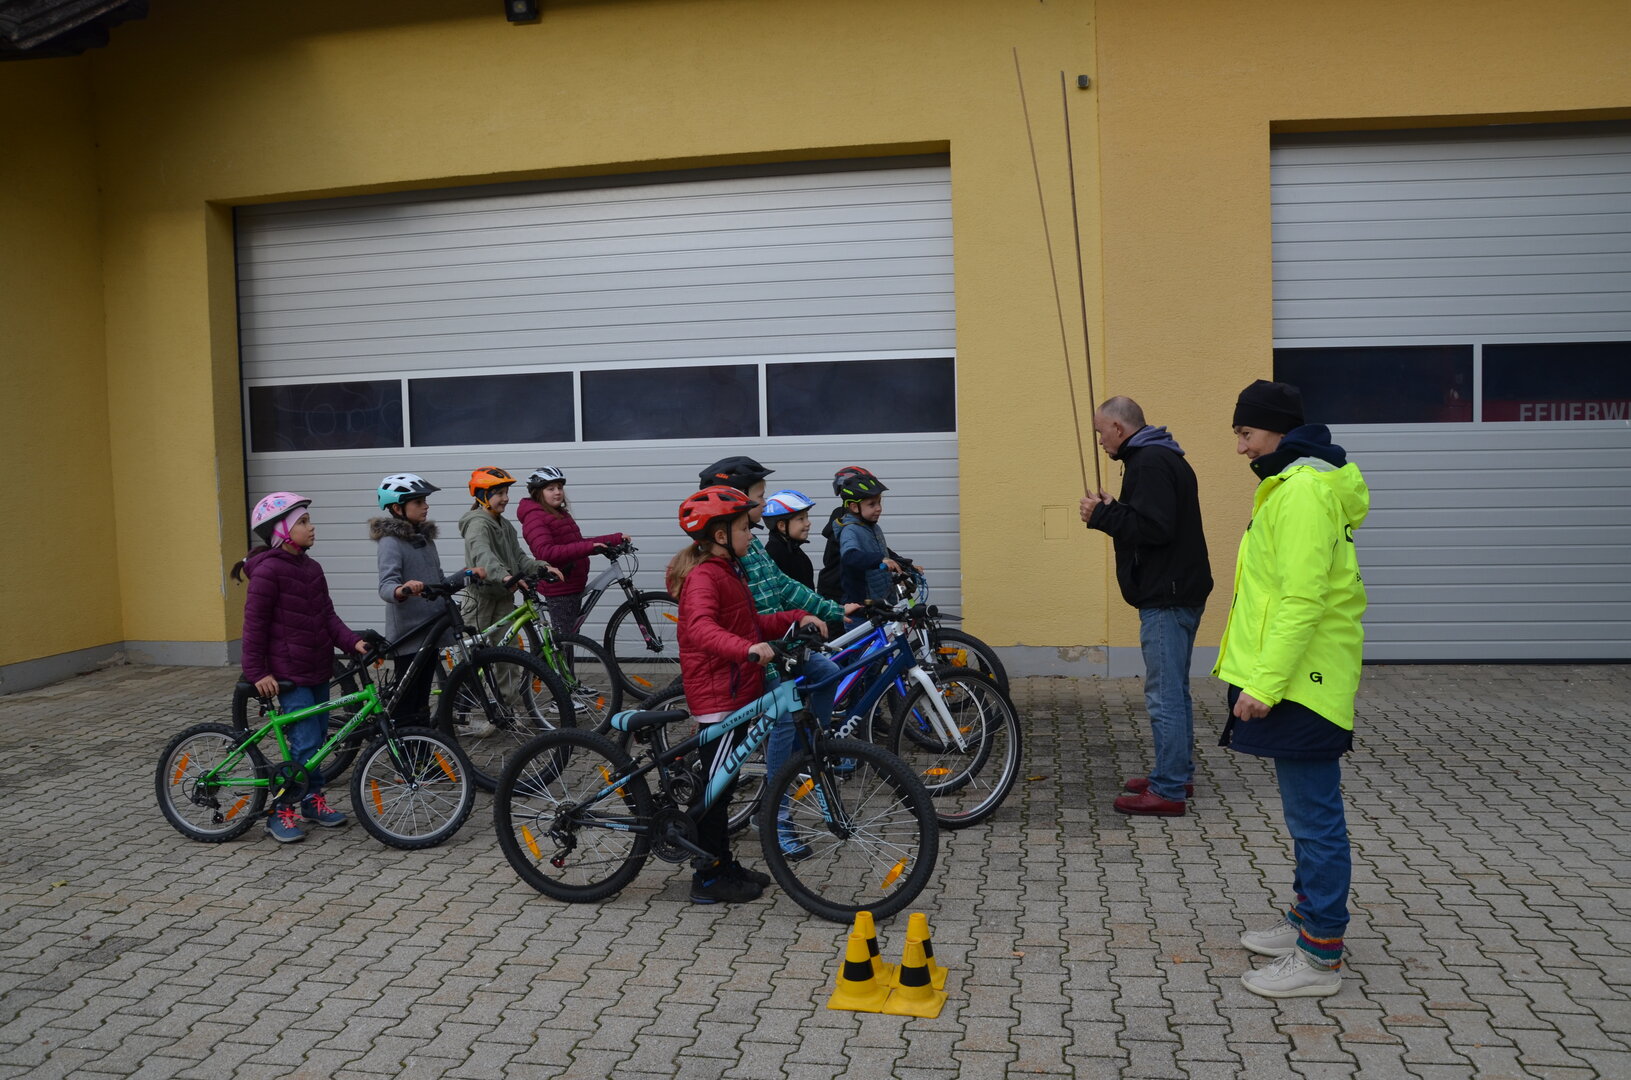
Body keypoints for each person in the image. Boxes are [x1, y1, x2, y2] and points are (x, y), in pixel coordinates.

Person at [1215, 379, 1369, 999]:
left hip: (1304, 682)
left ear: (1278, 430)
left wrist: (1264, 683)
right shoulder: (1292, 485)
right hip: (1300, 677)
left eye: (1246, 434)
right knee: (1306, 814)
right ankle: (1307, 920)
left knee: (1315, 818)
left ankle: (1320, 956)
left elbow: (1302, 600)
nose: (1241, 448)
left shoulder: (1302, 491)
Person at [670, 486, 827, 903]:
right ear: (720, 536)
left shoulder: (729, 570)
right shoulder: (704, 577)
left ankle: (723, 863)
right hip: (718, 695)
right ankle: (707, 878)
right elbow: (700, 628)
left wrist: (797, 617)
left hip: (737, 688)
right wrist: (747, 650)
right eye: (743, 527)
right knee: (717, 789)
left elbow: (751, 621)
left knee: (725, 783)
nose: (750, 533)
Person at [695, 458, 848, 860]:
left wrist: (830, 610)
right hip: (754, 657)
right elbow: (711, 625)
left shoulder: (750, 543)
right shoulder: (723, 558)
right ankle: (774, 812)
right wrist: (757, 644)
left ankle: (805, 751)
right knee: (783, 718)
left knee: (827, 671)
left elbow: (783, 587)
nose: (764, 505)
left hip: (776, 644)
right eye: (759, 497)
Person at [1079, 396, 1212, 817]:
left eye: (1101, 432)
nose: (1100, 441)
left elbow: (1155, 528)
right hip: (1180, 589)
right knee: (1175, 690)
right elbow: (1152, 518)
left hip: (1166, 596)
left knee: (1163, 695)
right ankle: (1177, 773)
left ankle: (1168, 790)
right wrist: (1116, 509)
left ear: (1119, 428)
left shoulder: (1149, 462)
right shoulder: (1161, 456)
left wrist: (1102, 516)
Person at [233, 492, 372, 843]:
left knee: (318, 743)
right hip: (288, 675)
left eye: (309, 521)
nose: (312, 527)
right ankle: (280, 810)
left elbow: (327, 616)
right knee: (306, 742)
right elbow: (254, 628)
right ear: (281, 531)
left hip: (317, 667)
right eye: (303, 522)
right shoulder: (268, 572)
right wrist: (257, 672)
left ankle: (311, 800)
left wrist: (352, 642)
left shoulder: (312, 569)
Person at [369, 473, 485, 723]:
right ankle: (403, 741)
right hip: (410, 634)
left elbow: (439, 584)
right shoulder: (390, 542)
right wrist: (402, 589)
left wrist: (466, 574)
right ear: (398, 508)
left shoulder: (425, 540)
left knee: (422, 699)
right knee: (407, 701)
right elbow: (386, 586)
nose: (426, 506)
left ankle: (421, 741)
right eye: (418, 502)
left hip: (431, 630)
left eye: (425, 501)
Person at [458, 467, 561, 716]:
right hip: (480, 599)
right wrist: (503, 575)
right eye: (499, 493)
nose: (505, 498)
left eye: (506, 492)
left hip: (503, 597)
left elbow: (518, 557)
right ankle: (463, 708)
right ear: (482, 496)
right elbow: (483, 555)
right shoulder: (477, 524)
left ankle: (504, 707)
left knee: (508, 655)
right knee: (472, 656)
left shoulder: (504, 524)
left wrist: (541, 566)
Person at [516, 466, 629, 635]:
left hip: (571, 584)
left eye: (559, 487)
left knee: (570, 636)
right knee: (565, 640)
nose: (557, 492)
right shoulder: (535, 517)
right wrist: (588, 548)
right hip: (559, 587)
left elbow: (577, 544)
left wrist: (615, 539)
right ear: (538, 493)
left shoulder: (558, 514)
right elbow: (545, 552)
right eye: (551, 489)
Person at [817, 466, 908, 603]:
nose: (878, 508)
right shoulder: (849, 527)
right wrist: (880, 559)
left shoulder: (869, 525)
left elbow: (876, 548)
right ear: (854, 506)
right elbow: (851, 556)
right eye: (871, 504)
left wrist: (903, 563)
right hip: (838, 592)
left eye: (879, 502)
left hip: (873, 594)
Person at [761, 489, 818, 589]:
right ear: (782, 526)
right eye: (801, 519)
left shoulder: (793, 550)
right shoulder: (775, 556)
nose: (808, 523)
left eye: (807, 517)